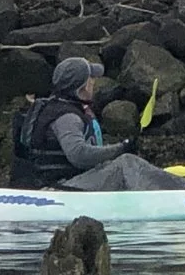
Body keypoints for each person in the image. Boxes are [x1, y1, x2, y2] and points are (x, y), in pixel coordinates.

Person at [10, 56, 131, 188]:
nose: (94, 82)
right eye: (91, 78)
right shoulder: (67, 117)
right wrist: (121, 148)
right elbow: (78, 155)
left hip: (63, 183)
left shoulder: (60, 107)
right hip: (63, 187)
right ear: (82, 86)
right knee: (127, 164)